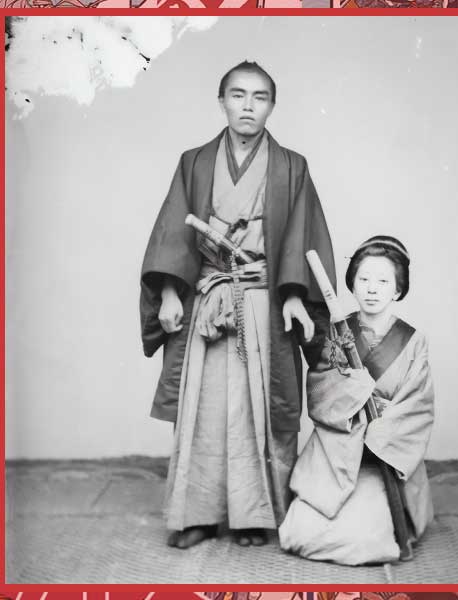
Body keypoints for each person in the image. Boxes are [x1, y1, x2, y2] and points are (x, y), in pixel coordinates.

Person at [140, 61, 335, 549]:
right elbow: (171, 233)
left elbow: (300, 238)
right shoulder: (195, 162)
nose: (248, 106)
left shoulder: (292, 166)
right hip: (207, 298)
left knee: (257, 408)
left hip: (262, 301)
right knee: (204, 409)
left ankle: (253, 515)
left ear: (272, 104)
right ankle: (198, 513)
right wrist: (168, 292)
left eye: (260, 97)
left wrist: (293, 298)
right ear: (221, 100)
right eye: (238, 95)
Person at [278, 236, 434, 565]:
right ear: (352, 284)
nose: (372, 289)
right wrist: (355, 392)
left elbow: (417, 405)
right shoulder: (337, 331)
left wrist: (380, 430)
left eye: (382, 281)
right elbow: (320, 391)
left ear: (397, 289)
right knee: (298, 533)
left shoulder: (413, 341)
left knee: (365, 541)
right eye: (363, 279)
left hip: (383, 457)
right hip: (338, 453)